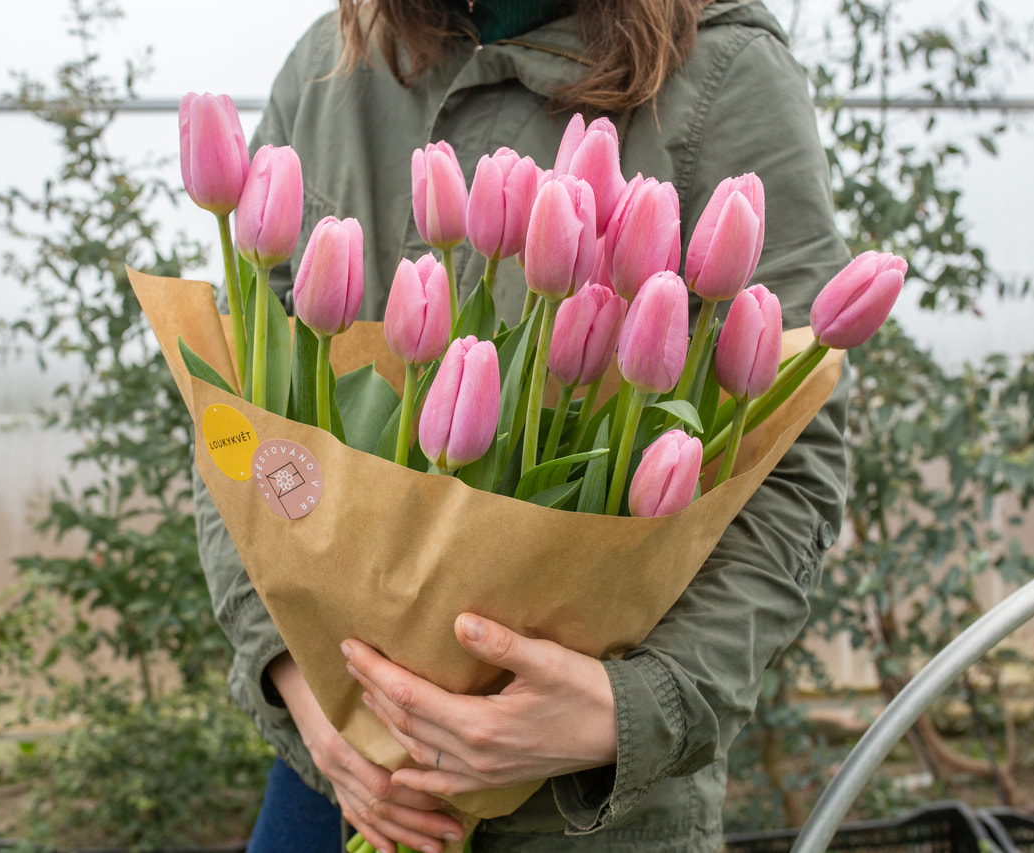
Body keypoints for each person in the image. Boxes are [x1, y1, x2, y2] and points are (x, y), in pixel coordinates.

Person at [193, 0, 851, 850]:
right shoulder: (335, 62)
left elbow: (789, 465)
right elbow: (235, 417)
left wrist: (633, 707)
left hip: (589, 805)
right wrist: (298, 684)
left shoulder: (720, 71)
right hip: (350, 776)